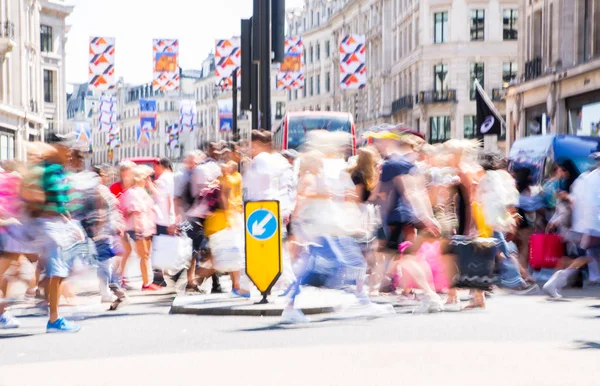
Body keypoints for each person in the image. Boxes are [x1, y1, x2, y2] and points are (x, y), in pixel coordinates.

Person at [543, 153, 600, 297]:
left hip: (586, 225)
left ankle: (556, 281)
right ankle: (556, 281)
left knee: (587, 256)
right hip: (593, 225)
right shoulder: (591, 179)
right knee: (586, 256)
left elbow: (575, 203)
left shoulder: (584, 179)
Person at [121, 165, 160, 291]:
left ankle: (147, 281)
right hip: (139, 228)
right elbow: (135, 212)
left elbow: (160, 198)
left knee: (147, 255)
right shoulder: (133, 192)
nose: (149, 179)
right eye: (146, 177)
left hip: (147, 226)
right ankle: (146, 283)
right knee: (144, 255)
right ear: (140, 178)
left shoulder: (142, 191)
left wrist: (151, 187)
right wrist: (138, 231)